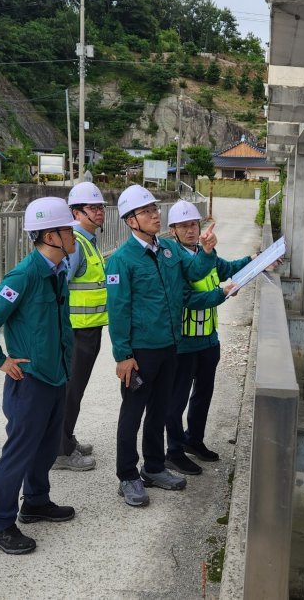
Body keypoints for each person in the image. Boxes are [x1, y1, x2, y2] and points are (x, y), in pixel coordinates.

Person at [104, 186, 227, 507]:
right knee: (132, 414)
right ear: (131, 221)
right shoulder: (121, 260)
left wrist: (208, 251)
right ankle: (128, 476)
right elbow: (118, 311)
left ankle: (155, 467)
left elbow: (197, 271)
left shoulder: (170, 251)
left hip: (171, 347)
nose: (156, 215)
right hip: (141, 352)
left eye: (155, 209)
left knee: (159, 410)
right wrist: (123, 355)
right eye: (147, 212)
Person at [0, 197, 79, 554]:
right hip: (31, 380)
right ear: (51, 235)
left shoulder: (56, 270)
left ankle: (35, 501)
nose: (73, 236)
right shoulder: (25, 274)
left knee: (46, 446)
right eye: (68, 230)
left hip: (55, 375)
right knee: (18, 452)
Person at [163, 201, 253, 475]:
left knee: (203, 395)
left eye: (194, 224)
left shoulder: (207, 252)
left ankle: (194, 440)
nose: (191, 230)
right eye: (184, 226)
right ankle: (174, 452)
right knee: (176, 400)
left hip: (208, 340)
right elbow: (185, 298)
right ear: (173, 230)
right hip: (184, 343)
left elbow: (226, 268)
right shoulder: (172, 259)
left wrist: (256, 261)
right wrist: (221, 294)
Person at [52, 182, 108, 472]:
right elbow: (59, 284)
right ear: (76, 211)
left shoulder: (87, 241)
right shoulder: (75, 243)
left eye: (101, 207)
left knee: (75, 389)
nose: (99, 213)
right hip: (76, 330)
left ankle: (65, 438)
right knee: (71, 390)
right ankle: (60, 451)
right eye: (93, 208)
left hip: (88, 328)